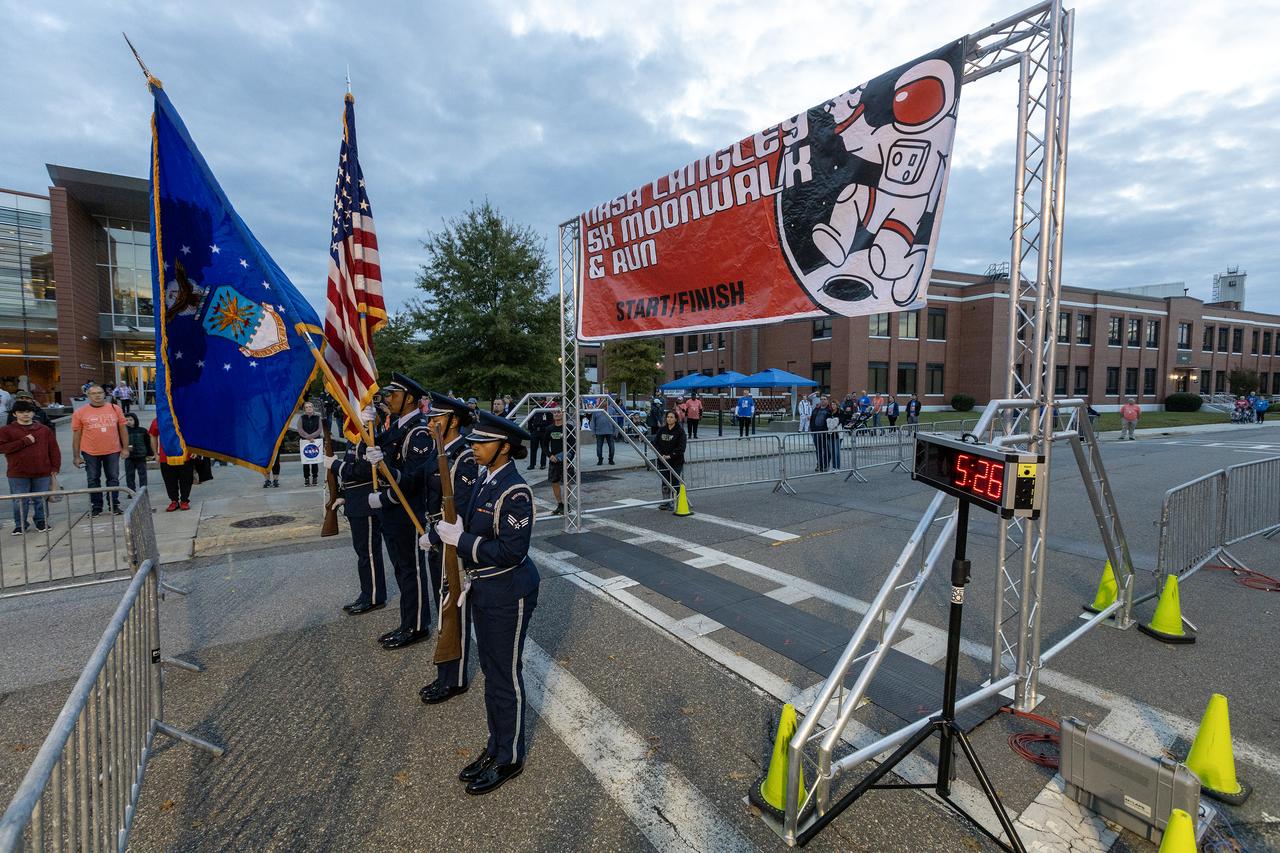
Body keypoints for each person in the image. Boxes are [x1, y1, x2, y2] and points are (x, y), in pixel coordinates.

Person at [426, 410, 540, 795]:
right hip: (484, 589)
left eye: (482, 442)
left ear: (504, 447)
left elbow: (510, 550)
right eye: (472, 441)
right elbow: (461, 513)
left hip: (508, 590)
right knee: (493, 675)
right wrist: (439, 531)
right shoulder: (483, 478)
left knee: (505, 675)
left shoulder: (515, 491)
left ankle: (510, 757)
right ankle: (495, 746)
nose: (474, 448)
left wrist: (463, 542)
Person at [418, 392, 480, 705]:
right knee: (443, 603)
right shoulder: (440, 450)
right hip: (436, 536)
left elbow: (463, 507)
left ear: (453, 421)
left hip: (451, 540)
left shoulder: (464, 457)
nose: (430, 423)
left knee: (453, 604)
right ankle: (445, 673)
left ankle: (454, 679)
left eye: (436, 418)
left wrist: (436, 533)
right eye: (429, 418)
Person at [365, 373, 434, 651]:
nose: (388, 399)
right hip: (392, 511)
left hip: (408, 511)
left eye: (394, 394)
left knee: (411, 570)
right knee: (402, 568)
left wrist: (385, 489)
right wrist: (367, 425)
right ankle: (408, 622)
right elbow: (377, 445)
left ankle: (417, 625)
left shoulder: (418, 431)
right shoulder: (397, 427)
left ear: (410, 400)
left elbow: (414, 479)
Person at [321, 404, 387, 617]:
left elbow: (367, 471)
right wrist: (340, 493)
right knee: (362, 553)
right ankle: (366, 592)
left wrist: (335, 465)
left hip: (366, 504)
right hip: (354, 502)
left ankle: (374, 596)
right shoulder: (355, 438)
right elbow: (351, 469)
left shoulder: (370, 438)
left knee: (368, 552)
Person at [0, 400, 60, 533]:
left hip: (42, 471)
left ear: (33, 413)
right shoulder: (6, 430)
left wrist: (55, 467)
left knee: (41, 499)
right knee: (20, 501)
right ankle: (20, 524)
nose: (25, 415)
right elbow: (2, 448)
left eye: (28, 412)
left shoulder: (44, 430)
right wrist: (24, 441)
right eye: (21, 412)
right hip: (18, 472)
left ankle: (41, 522)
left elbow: (53, 449)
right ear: (15, 414)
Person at [71, 385, 128, 516]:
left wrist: (125, 448)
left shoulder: (115, 408)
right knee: (93, 479)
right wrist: (76, 456)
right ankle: (96, 506)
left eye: (100, 393)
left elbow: (123, 430)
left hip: (113, 450)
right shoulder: (80, 412)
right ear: (88, 396)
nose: (97, 396)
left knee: (113, 478)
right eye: (93, 393)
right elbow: (77, 435)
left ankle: (114, 505)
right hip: (90, 451)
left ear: (105, 394)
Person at [148, 417, 194, 511]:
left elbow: (194, 432)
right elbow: (153, 435)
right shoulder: (160, 419)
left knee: (186, 480)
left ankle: (184, 500)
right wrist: (156, 454)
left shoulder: (184, 416)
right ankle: (174, 500)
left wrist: (195, 449)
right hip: (166, 457)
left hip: (185, 455)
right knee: (169, 481)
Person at [652, 409, 686, 511]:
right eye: (667, 417)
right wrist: (660, 454)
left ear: (676, 419)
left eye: (671, 417)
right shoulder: (662, 430)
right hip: (663, 460)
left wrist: (670, 455)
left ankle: (677, 502)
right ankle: (666, 502)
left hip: (675, 461)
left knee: (675, 482)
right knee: (665, 482)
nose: (669, 419)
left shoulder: (680, 431)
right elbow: (655, 443)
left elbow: (681, 447)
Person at [546, 409, 573, 515]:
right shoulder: (549, 429)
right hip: (554, 460)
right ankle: (560, 505)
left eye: (559, 412)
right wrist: (550, 455)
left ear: (563, 413)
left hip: (566, 459)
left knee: (567, 482)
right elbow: (544, 444)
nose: (557, 414)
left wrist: (568, 459)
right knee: (554, 482)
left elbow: (573, 445)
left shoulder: (569, 428)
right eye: (555, 412)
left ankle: (567, 504)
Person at [122, 413, 151, 493]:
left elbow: (148, 442)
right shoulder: (123, 432)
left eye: (131, 420)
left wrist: (150, 454)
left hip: (141, 456)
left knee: (142, 474)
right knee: (129, 475)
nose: (128, 422)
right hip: (129, 457)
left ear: (135, 420)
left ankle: (143, 490)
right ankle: (131, 491)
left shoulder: (142, 430)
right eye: (126, 420)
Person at [296, 401, 323, 486]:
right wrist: (308, 437)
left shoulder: (318, 418)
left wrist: (312, 437)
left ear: (313, 408)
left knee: (315, 460)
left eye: (310, 407)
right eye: (306, 407)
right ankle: (306, 478)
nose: (308, 408)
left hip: (315, 441)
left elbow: (319, 429)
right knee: (306, 461)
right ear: (304, 409)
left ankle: (315, 477)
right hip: (305, 441)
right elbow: (300, 429)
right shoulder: (301, 418)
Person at [590, 398, 616, 465]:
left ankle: (611, 459)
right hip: (599, 432)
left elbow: (615, 421)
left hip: (610, 431)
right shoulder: (596, 410)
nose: (603, 402)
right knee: (599, 447)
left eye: (605, 401)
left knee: (611, 446)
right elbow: (593, 422)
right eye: (602, 401)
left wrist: (615, 431)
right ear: (600, 402)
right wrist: (593, 432)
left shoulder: (612, 410)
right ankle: (600, 459)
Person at [526, 399, 551, 471]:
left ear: (544, 400)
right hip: (535, 431)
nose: (539, 401)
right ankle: (532, 464)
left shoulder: (547, 409)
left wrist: (547, 430)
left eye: (541, 399)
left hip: (544, 432)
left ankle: (543, 464)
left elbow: (550, 420)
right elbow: (530, 419)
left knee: (544, 449)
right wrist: (531, 430)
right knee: (533, 449)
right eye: (538, 399)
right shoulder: (534, 409)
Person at [810, 395, 831, 471]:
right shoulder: (816, 408)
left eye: (824, 399)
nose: (822, 401)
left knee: (826, 450)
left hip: (825, 433)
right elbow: (812, 418)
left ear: (827, 400)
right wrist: (812, 429)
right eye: (821, 399)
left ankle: (825, 464)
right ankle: (819, 464)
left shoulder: (829, 409)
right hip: (816, 432)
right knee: (818, 450)